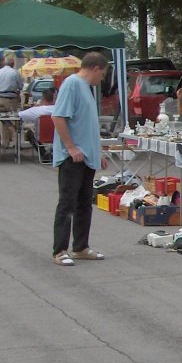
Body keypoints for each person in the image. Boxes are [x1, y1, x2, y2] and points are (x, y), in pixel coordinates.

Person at [51, 52, 109, 267]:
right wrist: (71, 147)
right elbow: (58, 116)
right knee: (67, 203)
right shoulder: (72, 84)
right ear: (95, 69)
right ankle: (59, 250)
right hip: (72, 156)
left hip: (87, 156)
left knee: (85, 203)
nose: (100, 79)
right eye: (101, 74)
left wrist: (98, 152)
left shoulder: (88, 89)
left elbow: (88, 125)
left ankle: (81, 246)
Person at [0, 56, 25, 148]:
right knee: (14, 119)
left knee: (2, 121)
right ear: (13, 64)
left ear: (4, 63)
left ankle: (4, 143)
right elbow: (21, 86)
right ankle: (16, 143)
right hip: (11, 99)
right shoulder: (15, 72)